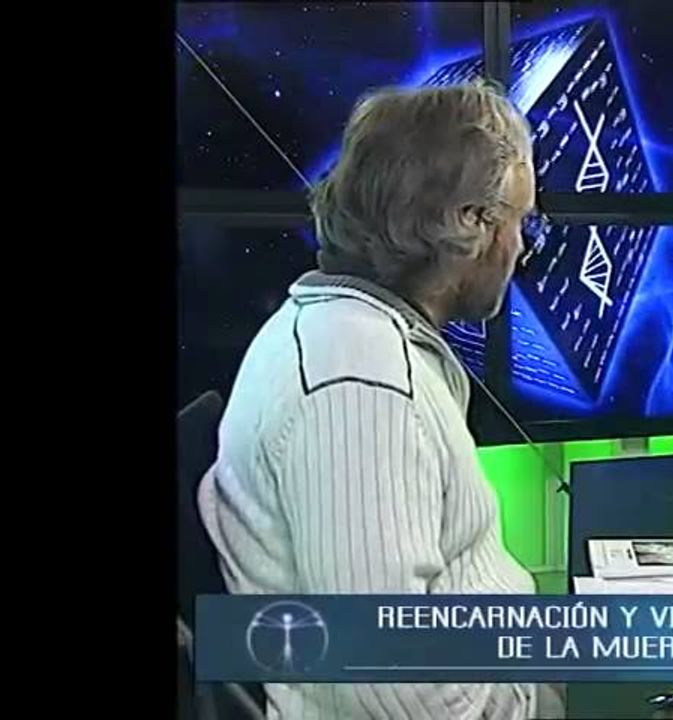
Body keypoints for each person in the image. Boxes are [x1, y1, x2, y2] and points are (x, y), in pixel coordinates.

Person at [197, 81, 563, 719]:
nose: (522, 246)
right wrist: (530, 700)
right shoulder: (358, 383)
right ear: (469, 221)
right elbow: (394, 681)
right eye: (519, 221)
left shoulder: (356, 333)